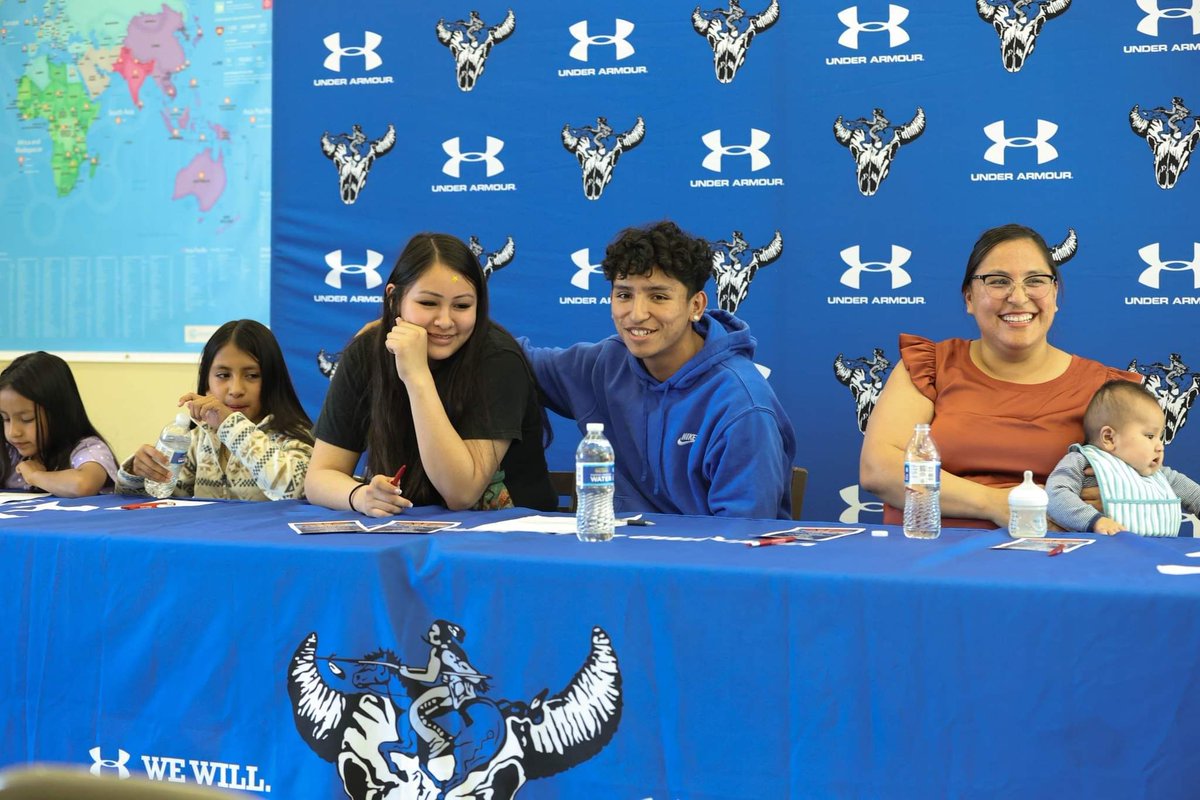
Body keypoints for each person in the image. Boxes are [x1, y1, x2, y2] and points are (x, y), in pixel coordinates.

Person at [860, 223, 1140, 529]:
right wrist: (998, 504)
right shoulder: (929, 367)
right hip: (925, 559)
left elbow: (1134, 488)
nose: (1018, 297)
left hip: (1055, 562)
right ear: (968, 297)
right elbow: (879, 470)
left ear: (1055, 294)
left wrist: (1114, 492)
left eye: (1035, 280)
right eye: (997, 281)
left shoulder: (1106, 390)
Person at [522, 220, 797, 519]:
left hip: (706, 562)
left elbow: (742, 539)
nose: (637, 314)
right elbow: (511, 358)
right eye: (624, 295)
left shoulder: (742, 405)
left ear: (696, 305)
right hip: (615, 559)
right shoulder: (604, 364)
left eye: (659, 296)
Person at [305, 233, 555, 515]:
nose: (445, 321)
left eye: (462, 306)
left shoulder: (498, 359)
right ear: (393, 299)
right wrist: (360, 496)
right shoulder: (367, 352)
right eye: (428, 303)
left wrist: (417, 377)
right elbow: (320, 476)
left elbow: (460, 494)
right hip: (406, 533)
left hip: (507, 540)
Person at [117, 320, 313, 500]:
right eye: (223, 375)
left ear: (273, 381)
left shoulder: (295, 437)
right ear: (207, 384)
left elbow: (295, 489)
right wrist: (139, 474)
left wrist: (231, 425)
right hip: (205, 537)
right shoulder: (197, 440)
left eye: (252, 375)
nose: (236, 390)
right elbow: (162, 501)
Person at [1047, 380, 1200, 536]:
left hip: (1157, 554)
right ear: (1109, 438)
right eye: (1150, 436)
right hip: (1100, 552)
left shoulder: (1161, 475)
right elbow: (1055, 495)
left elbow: (1195, 496)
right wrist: (1094, 520)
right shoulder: (1082, 461)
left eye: (1160, 437)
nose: (1160, 446)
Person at [0, 351, 118, 496]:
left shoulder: (87, 449)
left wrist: (35, 476)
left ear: (59, 413)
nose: (13, 432)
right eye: (6, 419)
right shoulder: (9, 453)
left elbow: (83, 485)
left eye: (27, 419)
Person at [399, 620, 490, 759]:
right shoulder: (445, 649)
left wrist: (407, 674)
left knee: (416, 711)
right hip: (455, 688)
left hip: (456, 691)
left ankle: (438, 740)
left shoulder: (443, 653)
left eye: (434, 631)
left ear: (442, 635)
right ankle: (443, 738)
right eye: (431, 630)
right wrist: (409, 671)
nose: (430, 634)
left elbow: (430, 677)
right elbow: (430, 672)